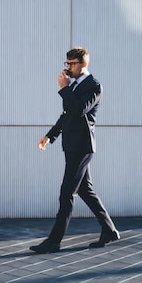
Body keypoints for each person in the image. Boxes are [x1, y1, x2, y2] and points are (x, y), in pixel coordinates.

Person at [30, 47, 120, 254]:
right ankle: (109, 230)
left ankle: (54, 241)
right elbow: (67, 115)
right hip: (71, 145)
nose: (68, 68)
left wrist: (64, 89)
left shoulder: (94, 86)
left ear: (83, 64)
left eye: (72, 64)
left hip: (82, 147)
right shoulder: (74, 86)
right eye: (67, 64)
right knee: (85, 190)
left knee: (66, 192)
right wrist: (50, 136)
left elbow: (79, 110)